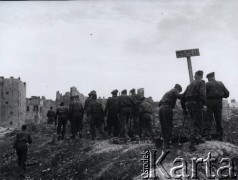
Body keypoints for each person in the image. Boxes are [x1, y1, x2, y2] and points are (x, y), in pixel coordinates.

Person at [181, 70, 206, 151]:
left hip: (189, 104)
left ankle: (198, 138)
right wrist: (204, 104)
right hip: (197, 103)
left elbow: (182, 97)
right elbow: (202, 93)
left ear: (195, 76)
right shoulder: (201, 82)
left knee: (195, 121)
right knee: (197, 123)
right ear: (201, 76)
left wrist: (184, 108)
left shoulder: (190, 85)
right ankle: (192, 143)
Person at [204, 72, 229, 141]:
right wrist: (220, 96)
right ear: (214, 77)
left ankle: (208, 135)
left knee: (208, 118)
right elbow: (227, 93)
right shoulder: (220, 83)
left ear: (209, 78)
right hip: (218, 102)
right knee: (218, 118)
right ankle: (220, 136)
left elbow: (203, 94)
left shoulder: (207, 84)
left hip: (209, 102)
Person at [159, 84, 182, 148]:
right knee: (168, 125)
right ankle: (168, 143)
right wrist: (185, 95)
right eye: (179, 91)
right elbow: (179, 96)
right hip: (167, 108)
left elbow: (159, 103)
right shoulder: (174, 91)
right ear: (177, 89)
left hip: (161, 108)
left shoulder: (167, 93)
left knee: (163, 125)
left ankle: (164, 142)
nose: (178, 92)